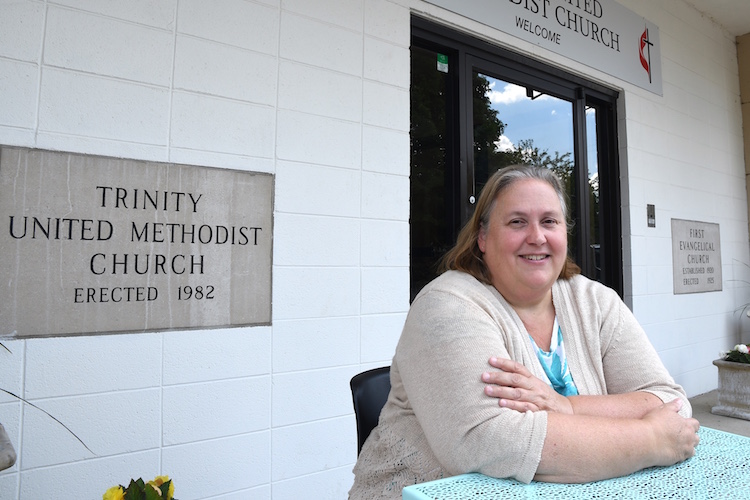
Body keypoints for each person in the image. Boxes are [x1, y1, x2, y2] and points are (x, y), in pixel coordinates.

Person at [349, 165, 699, 499]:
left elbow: (673, 404)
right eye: (517, 222)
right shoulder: (448, 304)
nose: (536, 237)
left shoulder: (595, 301)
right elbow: (490, 441)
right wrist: (650, 439)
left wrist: (567, 407)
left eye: (549, 221)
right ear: (483, 237)